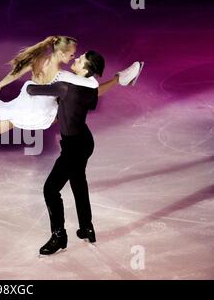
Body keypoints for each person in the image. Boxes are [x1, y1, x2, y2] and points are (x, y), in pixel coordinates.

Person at [0, 36, 143, 179]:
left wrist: (0, 84)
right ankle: (120, 79)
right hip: (34, 112)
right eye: (73, 54)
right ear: (62, 53)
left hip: (24, 108)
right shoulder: (64, 75)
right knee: (77, 97)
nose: (74, 57)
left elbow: (17, 71)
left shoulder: (40, 60)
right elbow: (92, 85)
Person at [26, 51, 144, 255]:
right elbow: (77, 102)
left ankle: (59, 236)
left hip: (74, 146)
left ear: (86, 70)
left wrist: (41, 70)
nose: (75, 59)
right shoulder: (89, 90)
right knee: (78, 182)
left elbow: (32, 90)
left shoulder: (64, 86)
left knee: (50, 190)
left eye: (80, 60)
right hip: (83, 142)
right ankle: (86, 227)